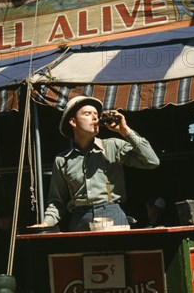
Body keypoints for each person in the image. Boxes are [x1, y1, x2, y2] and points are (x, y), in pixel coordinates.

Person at [29, 96, 160, 232]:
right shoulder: (62, 160)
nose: (95, 118)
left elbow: (151, 161)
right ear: (73, 122)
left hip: (111, 214)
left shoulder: (112, 146)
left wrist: (125, 131)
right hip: (79, 219)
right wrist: (46, 223)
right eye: (87, 114)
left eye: (96, 114)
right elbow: (57, 201)